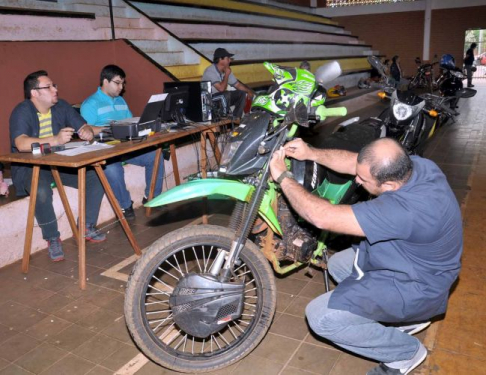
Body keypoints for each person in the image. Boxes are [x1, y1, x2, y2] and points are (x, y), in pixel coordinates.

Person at [269, 137, 462, 375]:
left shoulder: (405, 209)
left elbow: (321, 216)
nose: (356, 181)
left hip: (418, 287)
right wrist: (311, 153)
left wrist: (283, 176)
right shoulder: (418, 167)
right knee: (338, 264)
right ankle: (407, 320)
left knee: (321, 318)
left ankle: (405, 353)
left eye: (363, 180)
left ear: (389, 185)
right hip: (415, 264)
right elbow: (355, 164)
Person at [9, 70, 106, 262]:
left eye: (54, 85)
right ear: (35, 93)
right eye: (49, 86)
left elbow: (83, 126)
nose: (55, 89)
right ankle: (52, 237)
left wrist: (87, 132)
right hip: (31, 167)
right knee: (41, 190)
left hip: (59, 163)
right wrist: (55, 139)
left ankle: (86, 226)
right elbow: (21, 144)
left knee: (95, 176)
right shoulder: (22, 111)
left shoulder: (61, 106)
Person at [81, 65, 164, 219]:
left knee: (155, 154)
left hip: (126, 146)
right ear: (105, 81)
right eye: (117, 83)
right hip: (105, 149)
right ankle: (125, 205)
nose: (121, 87)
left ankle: (152, 197)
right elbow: (85, 129)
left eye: (123, 83)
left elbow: (130, 121)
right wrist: (110, 128)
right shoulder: (90, 104)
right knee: (111, 168)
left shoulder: (121, 101)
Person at [202, 48, 254, 120]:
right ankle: (224, 118)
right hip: (210, 100)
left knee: (241, 93)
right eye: (228, 58)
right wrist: (226, 75)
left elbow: (237, 85)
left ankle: (236, 118)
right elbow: (221, 89)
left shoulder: (226, 70)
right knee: (225, 94)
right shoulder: (210, 71)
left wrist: (248, 91)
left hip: (222, 98)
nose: (230, 60)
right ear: (220, 59)